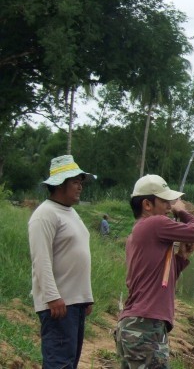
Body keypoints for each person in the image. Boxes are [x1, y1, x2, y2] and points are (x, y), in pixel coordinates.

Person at [115, 174, 194, 368]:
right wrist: (182, 212)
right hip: (145, 326)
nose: (170, 207)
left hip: (136, 326)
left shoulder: (138, 232)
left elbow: (160, 279)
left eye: (171, 203)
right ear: (147, 205)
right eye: (165, 201)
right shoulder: (154, 224)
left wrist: (181, 257)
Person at [28, 154, 95, 368]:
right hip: (59, 305)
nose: (80, 187)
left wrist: (87, 296)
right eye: (75, 182)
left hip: (75, 304)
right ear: (59, 185)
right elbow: (41, 259)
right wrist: (52, 296)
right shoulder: (45, 214)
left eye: (81, 182)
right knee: (59, 362)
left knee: (69, 362)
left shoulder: (71, 213)